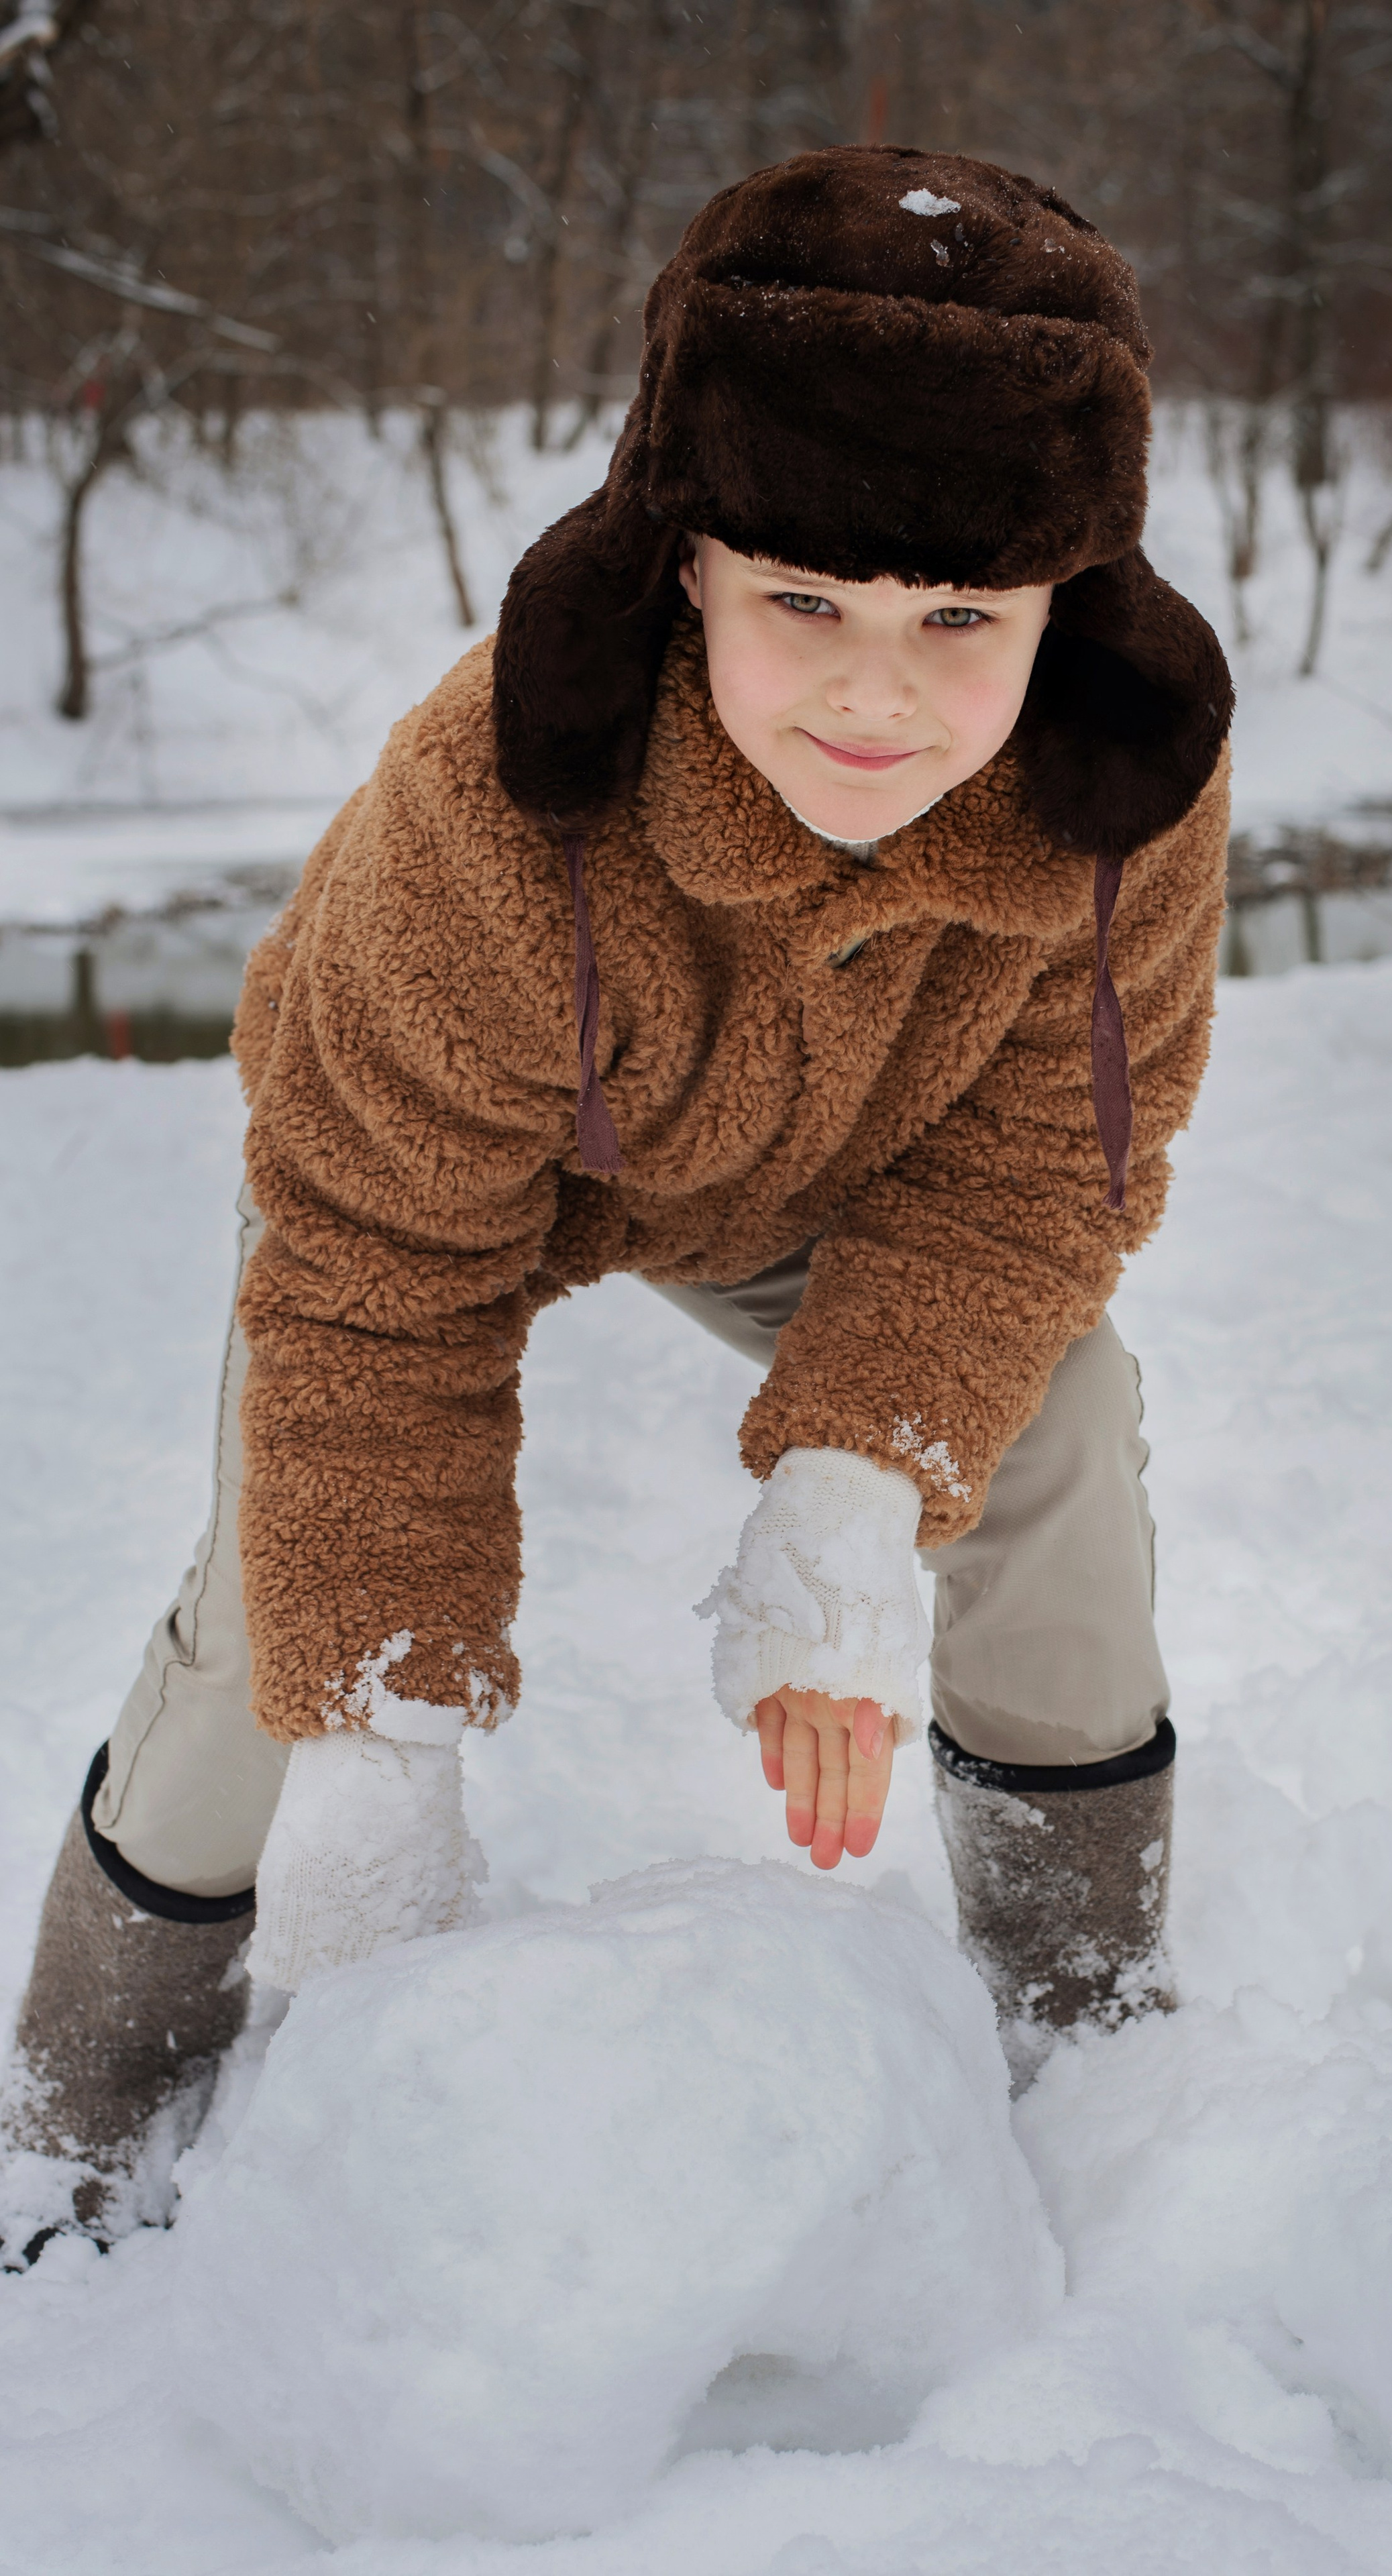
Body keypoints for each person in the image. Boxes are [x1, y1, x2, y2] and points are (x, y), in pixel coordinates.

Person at [0, 143, 1232, 2261]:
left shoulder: (1120, 799)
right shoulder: (487, 811)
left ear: (1063, 604)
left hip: (836, 1173)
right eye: (807, 604)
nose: (879, 692)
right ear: (689, 566)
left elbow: (1042, 1173)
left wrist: (851, 1504)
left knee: (1059, 1437)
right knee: (267, 1625)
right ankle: (81, 2109)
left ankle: (1089, 2015)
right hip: (448, 1185)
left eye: (963, 620)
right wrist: (380, 1752)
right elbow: (375, 1298)